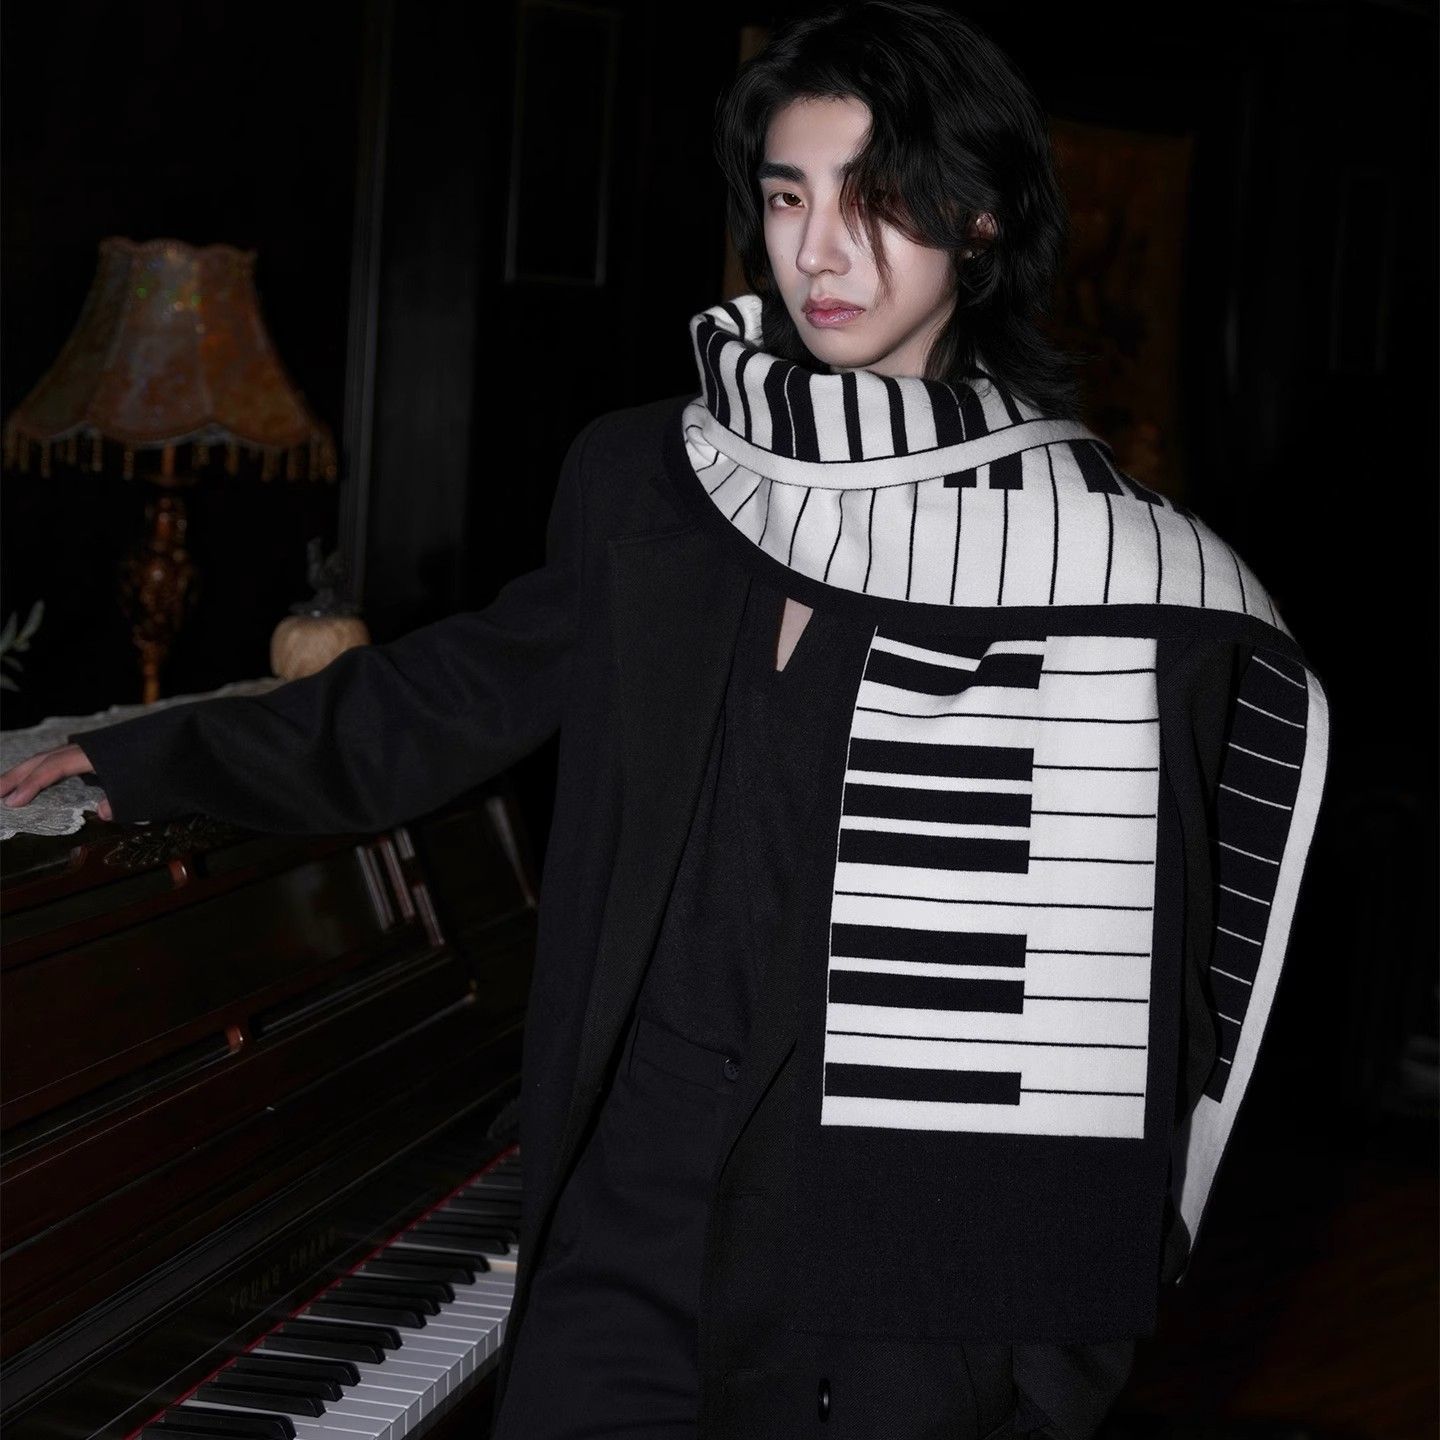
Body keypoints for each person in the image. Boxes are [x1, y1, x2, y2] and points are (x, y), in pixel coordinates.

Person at [0, 4, 1329, 1437]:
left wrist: (1047, 1364)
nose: (820, 252)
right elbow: (457, 690)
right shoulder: (656, 476)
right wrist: (143, 755)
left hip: (888, 1278)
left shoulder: (1106, 573)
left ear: (982, 217)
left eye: (877, 200)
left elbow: (1131, 1016)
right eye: (788, 196)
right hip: (625, 1214)